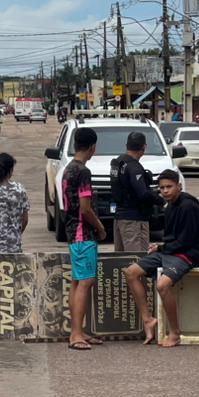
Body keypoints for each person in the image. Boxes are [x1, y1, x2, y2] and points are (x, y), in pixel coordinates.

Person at [124, 169, 199, 347]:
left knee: (162, 285)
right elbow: (171, 239)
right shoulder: (169, 206)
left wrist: (162, 247)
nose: (165, 191)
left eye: (169, 187)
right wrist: (159, 247)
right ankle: (148, 320)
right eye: (162, 188)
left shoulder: (189, 206)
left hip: (188, 254)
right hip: (171, 251)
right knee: (131, 272)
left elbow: (187, 241)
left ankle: (175, 333)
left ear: (179, 186)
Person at [63, 127, 106, 351]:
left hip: (72, 230)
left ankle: (78, 330)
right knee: (86, 281)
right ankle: (76, 333)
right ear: (92, 148)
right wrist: (100, 227)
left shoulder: (68, 169)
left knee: (78, 281)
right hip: (82, 232)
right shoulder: (83, 172)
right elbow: (86, 208)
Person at [110, 131, 161, 252]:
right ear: (144, 147)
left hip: (119, 218)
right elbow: (143, 193)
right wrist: (161, 201)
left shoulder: (118, 163)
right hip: (134, 221)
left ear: (127, 145)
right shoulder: (134, 166)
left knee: (122, 260)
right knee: (137, 261)